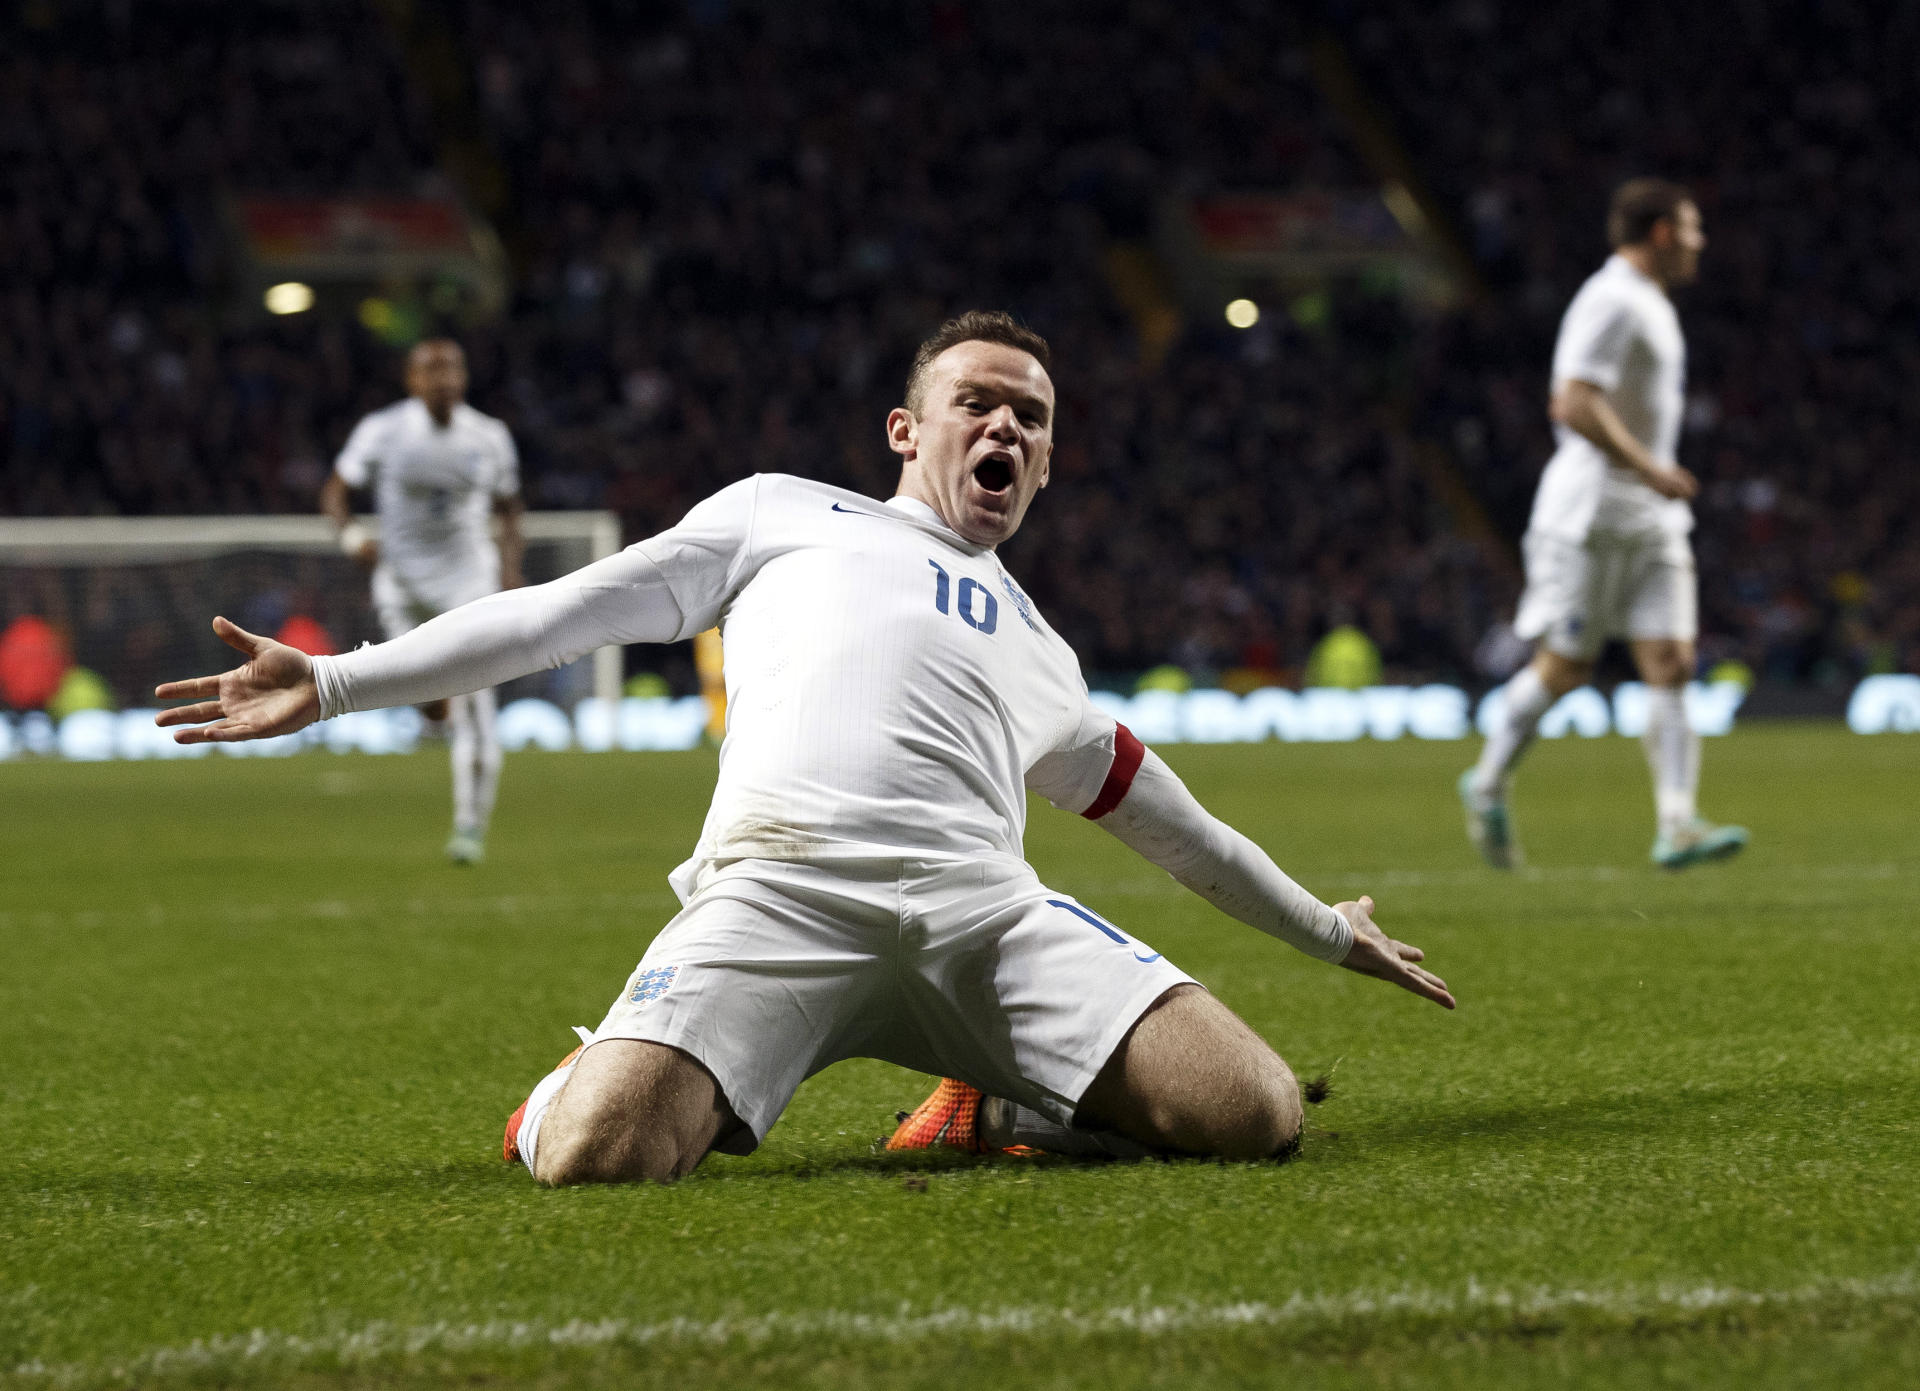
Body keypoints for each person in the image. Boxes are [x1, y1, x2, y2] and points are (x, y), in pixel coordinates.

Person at [157, 311, 1453, 1185]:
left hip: (983, 921)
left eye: (1031, 419)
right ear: (908, 430)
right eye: (977, 404)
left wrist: (1330, 932)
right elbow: (558, 613)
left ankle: (996, 1100)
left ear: (1049, 462)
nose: (1003, 429)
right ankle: (584, 1072)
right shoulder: (783, 514)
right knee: (595, 1157)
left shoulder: (1047, 651)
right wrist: (331, 680)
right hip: (778, 894)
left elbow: (1180, 827)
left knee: (1257, 1110)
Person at [1460, 180, 1748, 871]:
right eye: (1692, 228)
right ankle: (1488, 781)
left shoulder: (1649, 303)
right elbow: (1573, 403)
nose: (1701, 242)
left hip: (1651, 516)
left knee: (1673, 662)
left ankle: (1677, 823)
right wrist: (1649, 464)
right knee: (1565, 669)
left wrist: (1652, 479)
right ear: (1660, 233)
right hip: (1589, 514)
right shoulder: (1610, 299)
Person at [320, 339, 525, 864]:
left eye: (454, 368)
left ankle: (470, 829)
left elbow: (508, 507)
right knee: (426, 695)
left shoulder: (489, 436)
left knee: (476, 701)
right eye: (433, 370)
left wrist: (509, 569)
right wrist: (351, 540)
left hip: (467, 582)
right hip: (404, 586)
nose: (445, 379)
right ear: (412, 381)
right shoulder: (383, 431)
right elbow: (336, 492)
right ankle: (432, 700)